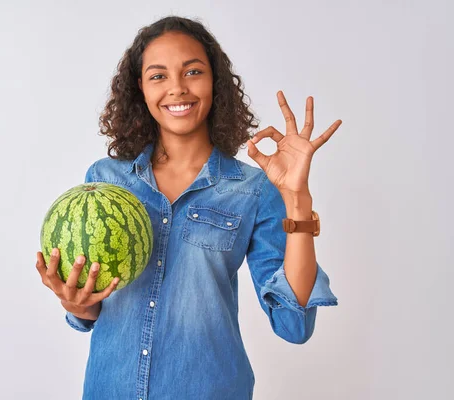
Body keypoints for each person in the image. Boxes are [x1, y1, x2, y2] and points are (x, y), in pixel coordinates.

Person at [36, 15, 341, 400]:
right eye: (158, 76)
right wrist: (74, 300)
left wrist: (297, 198)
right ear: (141, 89)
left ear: (215, 81)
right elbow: (91, 305)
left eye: (192, 71)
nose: (177, 89)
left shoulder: (252, 189)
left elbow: (293, 325)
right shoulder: (106, 180)